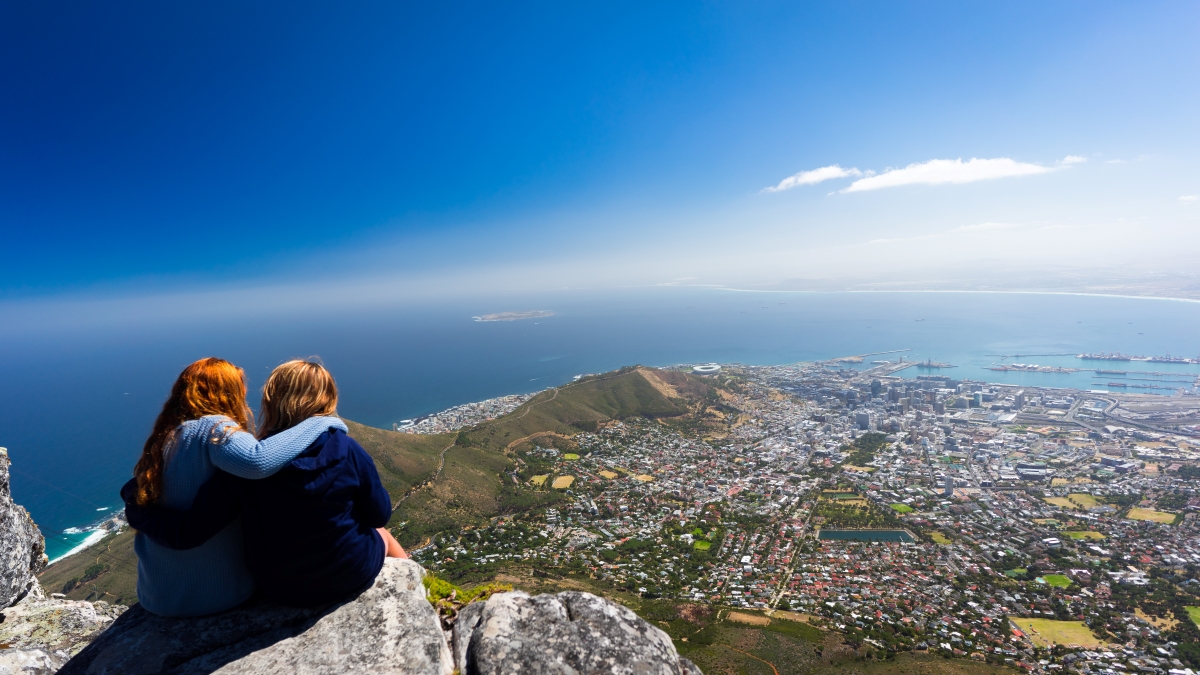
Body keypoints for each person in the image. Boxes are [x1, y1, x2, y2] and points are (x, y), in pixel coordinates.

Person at [125, 359, 406, 608]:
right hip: (346, 573)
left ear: (272, 399)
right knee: (381, 531)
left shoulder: (224, 461)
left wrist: (135, 501)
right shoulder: (343, 447)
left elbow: (200, 522)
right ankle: (413, 588)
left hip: (279, 587)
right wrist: (326, 423)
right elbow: (378, 514)